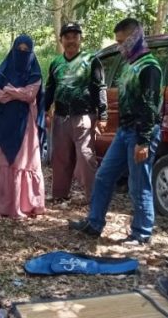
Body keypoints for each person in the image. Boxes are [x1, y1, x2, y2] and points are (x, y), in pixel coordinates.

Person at [69, 18, 162, 246]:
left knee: (138, 184)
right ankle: (94, 223)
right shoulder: (129, 64)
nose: (120, 47)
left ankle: (141, 233)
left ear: (135, 38)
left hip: (140, 133)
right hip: (124, 131)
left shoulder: (149, 67)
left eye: (122, 42)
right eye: (117, 42)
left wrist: (144, 141)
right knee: (104, 176)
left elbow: (150, 106)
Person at [44, 22, 108, 202]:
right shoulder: (56, 63)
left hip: (84, 116)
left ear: (81, 39)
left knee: (86, 156)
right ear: (61, 40)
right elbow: (50, 89)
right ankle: (59, 195)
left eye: (75, 37)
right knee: (60, 157)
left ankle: (93, 197)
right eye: (67, 37)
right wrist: (45, 110)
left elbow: (100, 88)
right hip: (61, 116)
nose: (71, 40)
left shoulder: (91, 60)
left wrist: (103, 115)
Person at [0, 34, 46, 218]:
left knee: (22, 161)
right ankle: (0, 202)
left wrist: (8, 90)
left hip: (24, 124)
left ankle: (24, 204)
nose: (22, 54)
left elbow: (30, 94)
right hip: (1, 123)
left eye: (26, 51)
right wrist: (16, 93)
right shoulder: (2, 70)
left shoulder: (35, 73)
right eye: (19, 50)